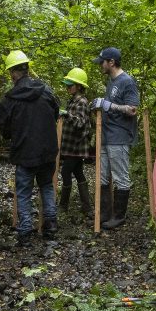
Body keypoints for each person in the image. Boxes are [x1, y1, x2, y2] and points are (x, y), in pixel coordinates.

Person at [0, 50, 61, 246]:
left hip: (24, 152)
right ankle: (50, 225)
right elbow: (56, 113)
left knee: (23, 191)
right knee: (46, 186)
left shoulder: (9, 99)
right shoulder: (46, 91)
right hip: (48, 150)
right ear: (27, 70)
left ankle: (25, 231)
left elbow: (4, 128)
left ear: (13, 73)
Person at [91, 47, 140, 229]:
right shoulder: (111, 82)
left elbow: (133, 109)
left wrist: (108, 105)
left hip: (119, 136)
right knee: (103, 176)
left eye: (102, 62)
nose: (100, 65)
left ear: (111, 62)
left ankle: (119, 217)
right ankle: (105, 214)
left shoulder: (127, 81)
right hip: (106, 135)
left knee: (120, 177)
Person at [58, 67, 94, 220]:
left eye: (70, 85)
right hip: (71, 145)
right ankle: (88, 208)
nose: (68, 87)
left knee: (66, 172)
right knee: (78, 173)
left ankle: (63, 206)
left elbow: (80, 123)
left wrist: (67, 114)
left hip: (76, 146)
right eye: (67, 85)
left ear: (79, 86)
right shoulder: (73, 100)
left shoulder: (82, 102)